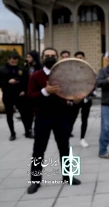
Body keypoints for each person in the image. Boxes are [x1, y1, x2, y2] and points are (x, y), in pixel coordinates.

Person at [27, 48, 82, 194]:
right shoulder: (35, 76)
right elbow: (30, 96)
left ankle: (69, 176)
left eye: (53, 56)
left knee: (65, 148)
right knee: (38, 151)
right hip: (42, 117)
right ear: (43, 58)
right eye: (47, 56)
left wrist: (75, 99)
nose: (50, 58)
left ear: (57, 57)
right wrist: (45, 92)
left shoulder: (64, 75)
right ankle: (35, 181)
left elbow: (71, 93)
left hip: (62, 116)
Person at [0, 52, 32, 140]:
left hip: (19, 95)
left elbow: (25, 81)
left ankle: (27, 132)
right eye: (12, 62)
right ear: (8, 60)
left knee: (24, 114)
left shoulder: (20, 69)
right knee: (9, 115)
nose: (14, 63)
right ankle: (12, 133)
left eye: (16, 62)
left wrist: (23, 90)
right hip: (7, 95)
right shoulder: (2, 69)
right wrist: (7, 82)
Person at [69, 51, 96, 148]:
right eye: (77, 58)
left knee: (84, 120)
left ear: (84, 58)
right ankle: (67, 135)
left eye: (81, 57)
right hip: (75, 99)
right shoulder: (72, 71)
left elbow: (94, 83)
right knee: (72, 119)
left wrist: (92, 94)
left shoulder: (90, 70)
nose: (79, 59)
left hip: (86, 100)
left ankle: (82, 138)